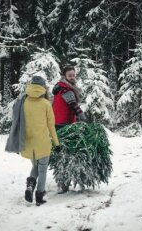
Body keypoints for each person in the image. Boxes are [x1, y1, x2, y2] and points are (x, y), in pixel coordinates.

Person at [5, 75, 60, 206]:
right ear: (43, 88)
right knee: (42, 170)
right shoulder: (46, 103)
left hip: (28, 142)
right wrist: (56, 143)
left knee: (35, 166)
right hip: (43, 143)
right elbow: (51, 126)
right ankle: (39, 196)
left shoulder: (23, 102)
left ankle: (30, 186)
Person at [52, 65, 86, 193]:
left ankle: (63, 182)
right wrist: (81, 116)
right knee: (66, 153)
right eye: (69, 75)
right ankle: (63, 182)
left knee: (61, 152)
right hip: (64, 124)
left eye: (73, 75)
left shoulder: (59, 87)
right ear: (64, 75)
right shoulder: (66, 89)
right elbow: (73, 105)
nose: (72, 77)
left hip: (58, 123)